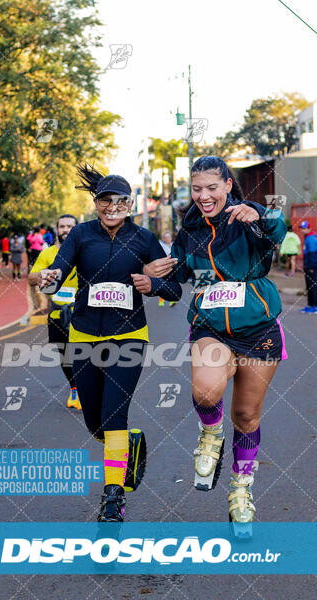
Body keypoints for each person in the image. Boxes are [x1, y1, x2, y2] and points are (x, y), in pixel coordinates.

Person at [144, 156, 287, 534]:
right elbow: (177, 282)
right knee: (207, 392)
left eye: (211, 187)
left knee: (247, 416)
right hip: (210, 324)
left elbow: (279, 230)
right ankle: (211, 434)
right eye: (196, 189)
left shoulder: (249, 216)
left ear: (227, 184)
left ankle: (241, 489)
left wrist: (260, 215)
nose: (203, 196)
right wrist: (153, 279)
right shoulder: (189, 228)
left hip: (258, 328)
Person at [38, 165, 182, 522]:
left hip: (129, 336)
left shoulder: (144, 239)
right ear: (96, 202)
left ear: (130, 203)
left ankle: (113, 498)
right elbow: (56, 275)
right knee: (95, 423)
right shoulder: (81, 235)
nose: (112, 206)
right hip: (84, 335)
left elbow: (175, 289)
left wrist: (154, 286)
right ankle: (126, 446)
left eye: (120, 201)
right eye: (105, 200)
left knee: (115, 416)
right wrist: (49, 279)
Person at [28, 214, 81, 410]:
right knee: (65, 354)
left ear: (76, 229)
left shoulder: (85, 252)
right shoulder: (48, 253)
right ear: (57, 230)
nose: (65, 230)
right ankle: (75, 388)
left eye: (69, 226)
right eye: (62, 226)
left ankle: (89, 388)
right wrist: (42, 274)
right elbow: (31, 278)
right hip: (58, 313)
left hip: (83, 312)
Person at [299, 220, 317, 314]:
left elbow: (313, 254)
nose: (302, 230)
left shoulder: (311, 238)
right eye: (301, 228)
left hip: (312, 267)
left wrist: (311, 267)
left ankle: (315, 306)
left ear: (309, 228)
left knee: (313, 286)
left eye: (304, 228)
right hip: (308, 266)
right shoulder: (307, 237)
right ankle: (310, 305)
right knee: (309, 286)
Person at [158, 231, 176, 307]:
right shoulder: (161, 245)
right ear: (163, 239)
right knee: (163, 284)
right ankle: (161, 300)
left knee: (173, 284)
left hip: (173, 267)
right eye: (166, 237)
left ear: (171, 238)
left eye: (168, 237)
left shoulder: (174, 245)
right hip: (164, 267)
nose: (167, 238)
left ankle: (172, 300)